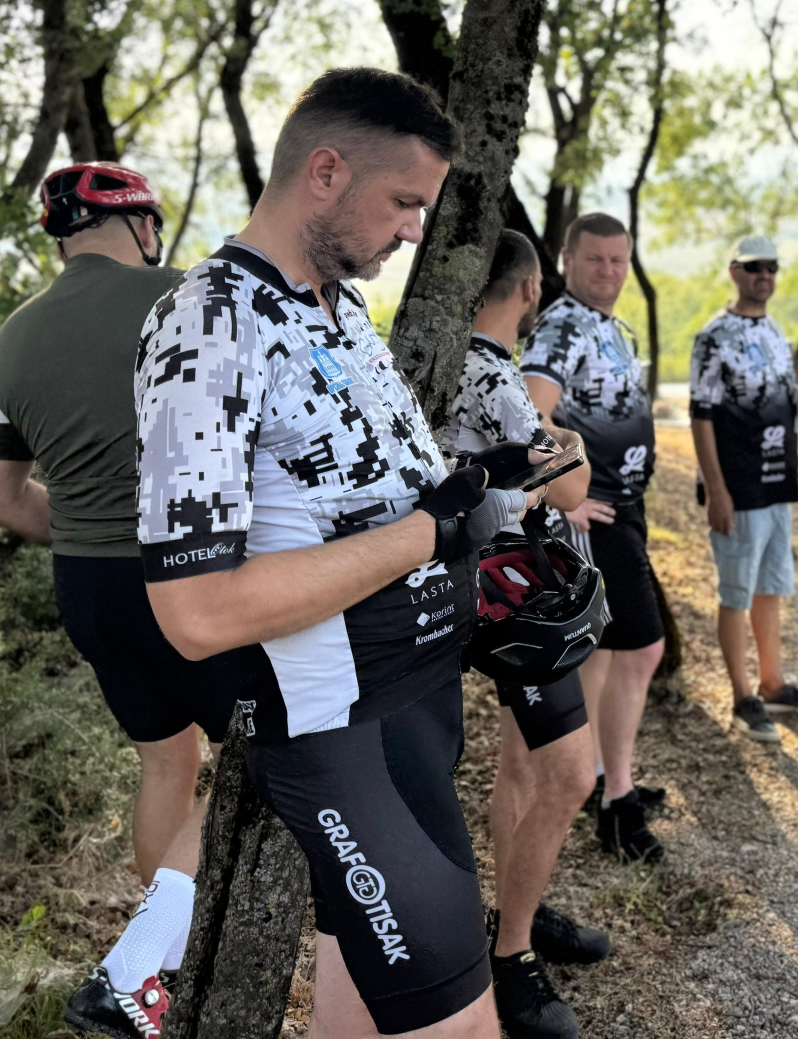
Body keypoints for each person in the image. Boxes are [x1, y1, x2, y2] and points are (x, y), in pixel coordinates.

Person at [136, 68, 536, 1039]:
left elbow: (367, 494)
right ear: (324, 172)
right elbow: (198, 612)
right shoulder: (209, 322)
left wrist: (474, 503)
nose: (414, 231)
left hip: (418, 714)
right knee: (462, 1023)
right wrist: (425, 533)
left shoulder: (339, 308)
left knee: (357, 1010)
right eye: (403, 202)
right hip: (341, 736)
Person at [0, 162, 245, 1039]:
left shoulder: (10, 339)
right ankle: (142, 965)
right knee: (269, 751)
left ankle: (162, 970)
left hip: (89, 584)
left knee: (167, 762)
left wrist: (89, 529)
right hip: (196, 573)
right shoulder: (189, 297)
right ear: (141, 224)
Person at [439, 229, 612, 1039]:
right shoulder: (493, 373)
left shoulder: (441, 361)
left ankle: (521, 910)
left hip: (474, 588)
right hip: (513, 598)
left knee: (521, 763)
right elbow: (571, 486)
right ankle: (510, 957)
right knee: (571, 775)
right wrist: (569, 443)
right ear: (531, 289)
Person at [521, 213, 664, 863]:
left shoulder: (608, 325)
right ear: (567, 261)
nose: (609, 271)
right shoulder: (563, 325)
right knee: (643, 649)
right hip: (595, 517)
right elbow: (529, 414)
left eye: (618, 260)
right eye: (596, 259)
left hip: (624, 509)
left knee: (607, 656)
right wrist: (566, 499)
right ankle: (617, 802)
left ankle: (603, 779)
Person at [689, 235, 798, 741]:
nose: (764, 275)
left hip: (777, 485)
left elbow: (781, 400)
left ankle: (773, 684)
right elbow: (701, 414)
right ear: (734, 271)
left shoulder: (774, 331)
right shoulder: (714, 336)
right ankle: (743, 696)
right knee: (737, 594)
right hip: (739, 486)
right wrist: (716, 490)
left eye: (771, 267)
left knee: (771, 590)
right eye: (753, 267)